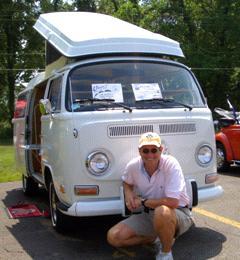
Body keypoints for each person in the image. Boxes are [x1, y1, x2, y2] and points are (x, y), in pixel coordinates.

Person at [107, 132, 194, 260]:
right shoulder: (133, 166)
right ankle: (158, 238)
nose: (150, 155)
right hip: (149, 215)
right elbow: (126, 181)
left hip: (177, 212)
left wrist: (143, 202)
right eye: (145, 150)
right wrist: (129, 194)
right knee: (113, 237)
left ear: (161, 150)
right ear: (139, 151)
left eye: (154, 150)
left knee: (162, 212)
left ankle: (165, 252)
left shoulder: (171, 164)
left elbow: (172, 203)